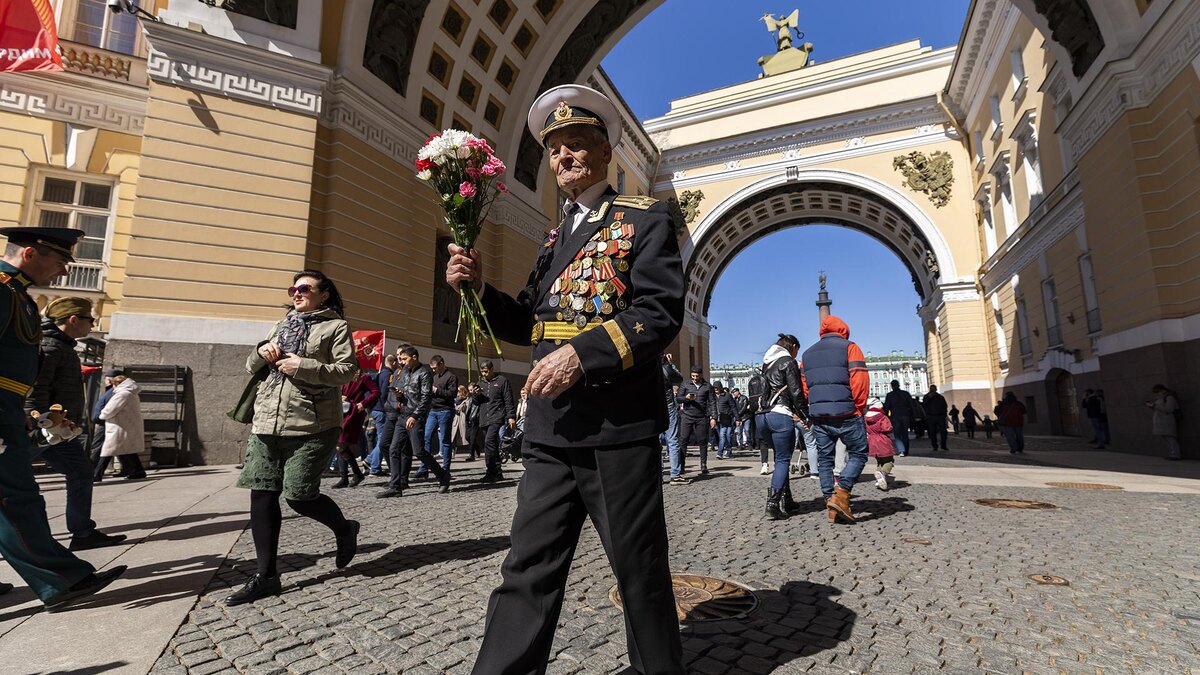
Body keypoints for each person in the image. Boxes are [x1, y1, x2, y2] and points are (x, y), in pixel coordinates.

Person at [446, 83, 684, 674]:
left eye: (577, 144)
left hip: (615, 425)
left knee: (638, 572)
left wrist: (583, 355)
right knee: (526, 567)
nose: (564, 157)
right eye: (555, 150)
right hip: (551, 428)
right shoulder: (555, 238)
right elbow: (529, 321)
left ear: (604, 153)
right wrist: (479, 288)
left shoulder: (644, 218)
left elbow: (658, 312)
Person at [0, 226, 126, 610]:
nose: (64, 271)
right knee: (16, 499)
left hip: (8, 407)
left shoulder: (17, 294)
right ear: (30, 254)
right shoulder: (3, 291)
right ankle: (61, 580)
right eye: (59, 261)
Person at [228, 270, 360, 606]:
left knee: (299, 496)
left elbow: (348, 371)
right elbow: (251, 366)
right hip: (267, 423)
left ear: (324, 294)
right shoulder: (281, 324)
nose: (297, 293)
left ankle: (345, 529)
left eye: (304, 288)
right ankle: (266, 576)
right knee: (262, 495)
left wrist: (304, 365)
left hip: (312, 425)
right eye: (293, 289)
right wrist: (261, 351)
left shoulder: (335, 327)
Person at [26, 296, 125, 549]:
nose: (92, 324)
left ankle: (82, 533)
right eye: (89, 319)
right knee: (11, 478)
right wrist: (41, 423)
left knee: (81, 472)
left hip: (59, 429)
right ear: (73, 320)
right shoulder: (50, 347)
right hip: (45, 428)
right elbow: (36, 389)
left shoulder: (62, 346)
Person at [801, 315, 870, 524]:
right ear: (843, 330)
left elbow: (805, 388)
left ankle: (829, 500)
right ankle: (841, 493)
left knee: (825, 459)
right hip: (848, 413)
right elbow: (859, 379)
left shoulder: (807, 354)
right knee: (859, 453)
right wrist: (858, 407)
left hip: (819, 416)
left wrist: (815, 405)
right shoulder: (850, 347)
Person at [377, 344, 451, 496]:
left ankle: (443, 476)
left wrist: (415, 416)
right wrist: (399, 395)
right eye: (401, 359)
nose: (402, 362)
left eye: (405, 359)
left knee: (419, 451)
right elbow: (405, 392)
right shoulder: (405, 372)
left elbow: (425, 398)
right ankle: (396, 486)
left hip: (415, 417)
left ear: (414, 357)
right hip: (402, 416)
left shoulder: (424, 373)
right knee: (393, 449)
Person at [758, 334, 807, 520]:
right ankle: (772, 504)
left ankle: (787, 499)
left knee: (779, 458)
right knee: (783, 459)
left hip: (761, 417)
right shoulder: (788, 362)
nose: (796, 355)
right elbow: (796, 392)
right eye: (796, 350)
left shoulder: (767, 363)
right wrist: (805, 415)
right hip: (780, 414)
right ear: (792, 346)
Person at [94, 370, 147, 480]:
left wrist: (101, 415)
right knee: (127, 449)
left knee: (108, 450)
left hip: (118, 426)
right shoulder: (131, 393)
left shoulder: (122, 394)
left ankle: (97, 474)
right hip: (126, 424)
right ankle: (138, 471)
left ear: (116, 384)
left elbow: (110, 410)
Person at [416, 355, 458, 479]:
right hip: (433, 411)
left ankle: (445, 469)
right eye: (432, 368)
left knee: (445, 440)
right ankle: (424, 468)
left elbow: (452, 393)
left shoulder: (451, 376)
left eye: (435, 368)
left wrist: (436, 390)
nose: (434, 370)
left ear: (441, 364)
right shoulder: (434, 377)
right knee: (426, 437)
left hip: (445, 410)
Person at [333, 371, 378, 488]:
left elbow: (376, 392)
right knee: (341, 444)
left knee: (340, 444)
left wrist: (363, 403)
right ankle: (345, 477)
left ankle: (356, 473)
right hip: (341, 412)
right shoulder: (342, 375)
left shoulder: (364, 377)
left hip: (353, 414)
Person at [477, 360, 516, 482]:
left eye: (486, 371)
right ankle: (498, 472)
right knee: (492, 444)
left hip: (497, 416)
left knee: (489, 442)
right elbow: (476, 402)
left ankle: (490, 471)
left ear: (492, 369)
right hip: (484, 418)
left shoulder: (502, 381)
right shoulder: (480, 383)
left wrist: (511, 416)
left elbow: (508, 399)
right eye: (482, 372)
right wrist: (476, 395)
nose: (484, 374)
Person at [677, 365, 716, 475]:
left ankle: (703, 465)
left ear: (701, 375)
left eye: (696, 376)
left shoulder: (707, 386)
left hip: (701, 417)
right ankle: (681, 466)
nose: (694, 378)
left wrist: (713, 417)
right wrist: (686, 398)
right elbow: (678, 399)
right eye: (693, 376)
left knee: (702, 441)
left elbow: (712, 402)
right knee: (683, 440)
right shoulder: (685, 384)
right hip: (687, 416)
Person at [364, 354, 396, 475]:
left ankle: (372, 463)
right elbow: (384, 393)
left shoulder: (380, 374)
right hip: (382, 410)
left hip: (375, 409)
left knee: (381, 438)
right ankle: (373, 465)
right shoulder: (388, 375)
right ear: (393, 363)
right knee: (383, 439)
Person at [662, 354, 685, 485]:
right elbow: (679, 378)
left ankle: (658, 474)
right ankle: (675, 475)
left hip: (651, 406)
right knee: (672, 440)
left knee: (656, 442)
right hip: (668, 405)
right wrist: (670, 364)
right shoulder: (666, 369)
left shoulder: (645, 366)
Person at [865, 397, 896, 491]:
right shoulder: (882, 417)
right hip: (882, 440)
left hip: (871, 441)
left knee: (880, 461)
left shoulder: (866, 418)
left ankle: (880, 480)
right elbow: (887, 428)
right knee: (889, 460)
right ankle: (883, 473)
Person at [1147, 384, 1181, 460]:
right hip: (1161, 421)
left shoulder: (1169, 398)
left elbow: (1169, 409)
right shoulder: (1160, 398)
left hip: (1167, 420)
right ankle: (1172, 454)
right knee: (1166, 438)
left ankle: (1176, 454)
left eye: (1158, 392)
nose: (1157, 394)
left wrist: (1155, 406)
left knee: (1170, 438)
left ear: (1163, 390)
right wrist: (1152, 406)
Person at [882, 380, 913, 456]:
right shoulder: (906, 394)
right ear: (899, 385)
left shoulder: (890, 395)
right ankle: (906, 450)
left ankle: (901, 450)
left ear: (892, 386)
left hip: (895, 416)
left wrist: (886, 416)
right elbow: (911, 405)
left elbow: (886, 407)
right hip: (905, 416)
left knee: (897, 434)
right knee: (905, 433)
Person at [711, 380, 735, 459]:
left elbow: (733, 406)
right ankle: (728, 450)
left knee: (724, 435)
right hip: (717, 419)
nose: (715, 389)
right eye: (714, 388)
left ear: (720, 388)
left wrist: (737, 418)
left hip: (726, 418)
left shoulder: (727, 395)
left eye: (717, 388)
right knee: (723, 436)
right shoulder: (712, 396)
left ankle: (720, 453)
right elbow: (710, 407)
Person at [923, 384, 949, 451]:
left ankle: (943, 445)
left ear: (936, 389)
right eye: (932, 389)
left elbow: (945, 406)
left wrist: (944, 414)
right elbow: (924, 405)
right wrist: (929, 398)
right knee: (932, 432)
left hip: (940, 416)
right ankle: (935, 446)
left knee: (943, 431)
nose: (933, 390)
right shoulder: (926, 397)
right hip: (931, 416)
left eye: (934, 389)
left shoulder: (940, 397)